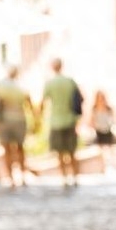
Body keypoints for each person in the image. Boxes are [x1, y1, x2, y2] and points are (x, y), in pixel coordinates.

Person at [0, 65, 33, 189]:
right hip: (20, 119)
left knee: (7, 150)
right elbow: (29, 103)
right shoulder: (21, 86)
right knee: (20, 149)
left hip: (4, 121)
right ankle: (23, 177)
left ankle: (11, 179)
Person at [40, 58, 83, 187]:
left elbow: (43, 102)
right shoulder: (70, 82)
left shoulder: (50, 83)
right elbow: (80, 98)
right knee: (71, 152)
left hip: (56, 121)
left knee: (59, 152)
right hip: (70, 119)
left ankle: (64, 178)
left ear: (52, 67)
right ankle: (75, 177)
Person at [91, 91, 116, 171]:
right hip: (99, 130)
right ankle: (103, 166)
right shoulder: (94, 108)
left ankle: (114, 165)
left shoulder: (108, 108)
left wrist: (112, 125)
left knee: (111, 148)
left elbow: (112, 118)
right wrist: (94, 126)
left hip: (107, 129)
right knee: (101, 150)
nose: (100, 99)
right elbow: (92, 119)